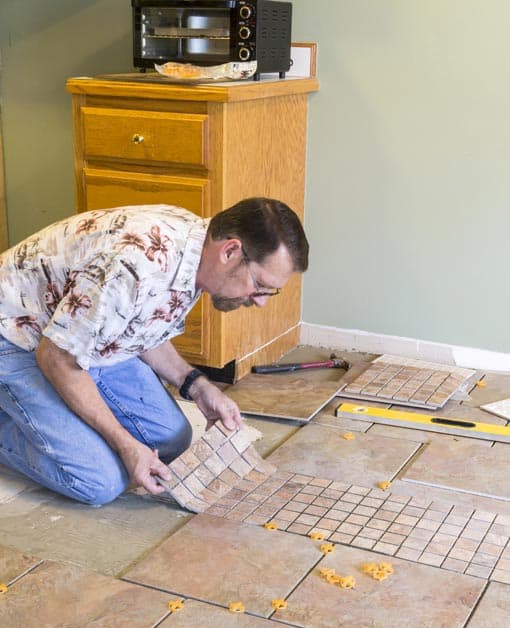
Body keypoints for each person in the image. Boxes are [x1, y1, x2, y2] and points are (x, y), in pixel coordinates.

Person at [0, 197, 309, 505]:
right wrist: (124, 444)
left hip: (75, 338)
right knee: (100, 480)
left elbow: (144, 329)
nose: (260, 301)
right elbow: (55, 358)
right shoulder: (133, 267)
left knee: (170, 439)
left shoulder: (196, 252)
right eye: (260, 285)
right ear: (230, 251)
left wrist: (198, 387)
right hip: (17, 336)